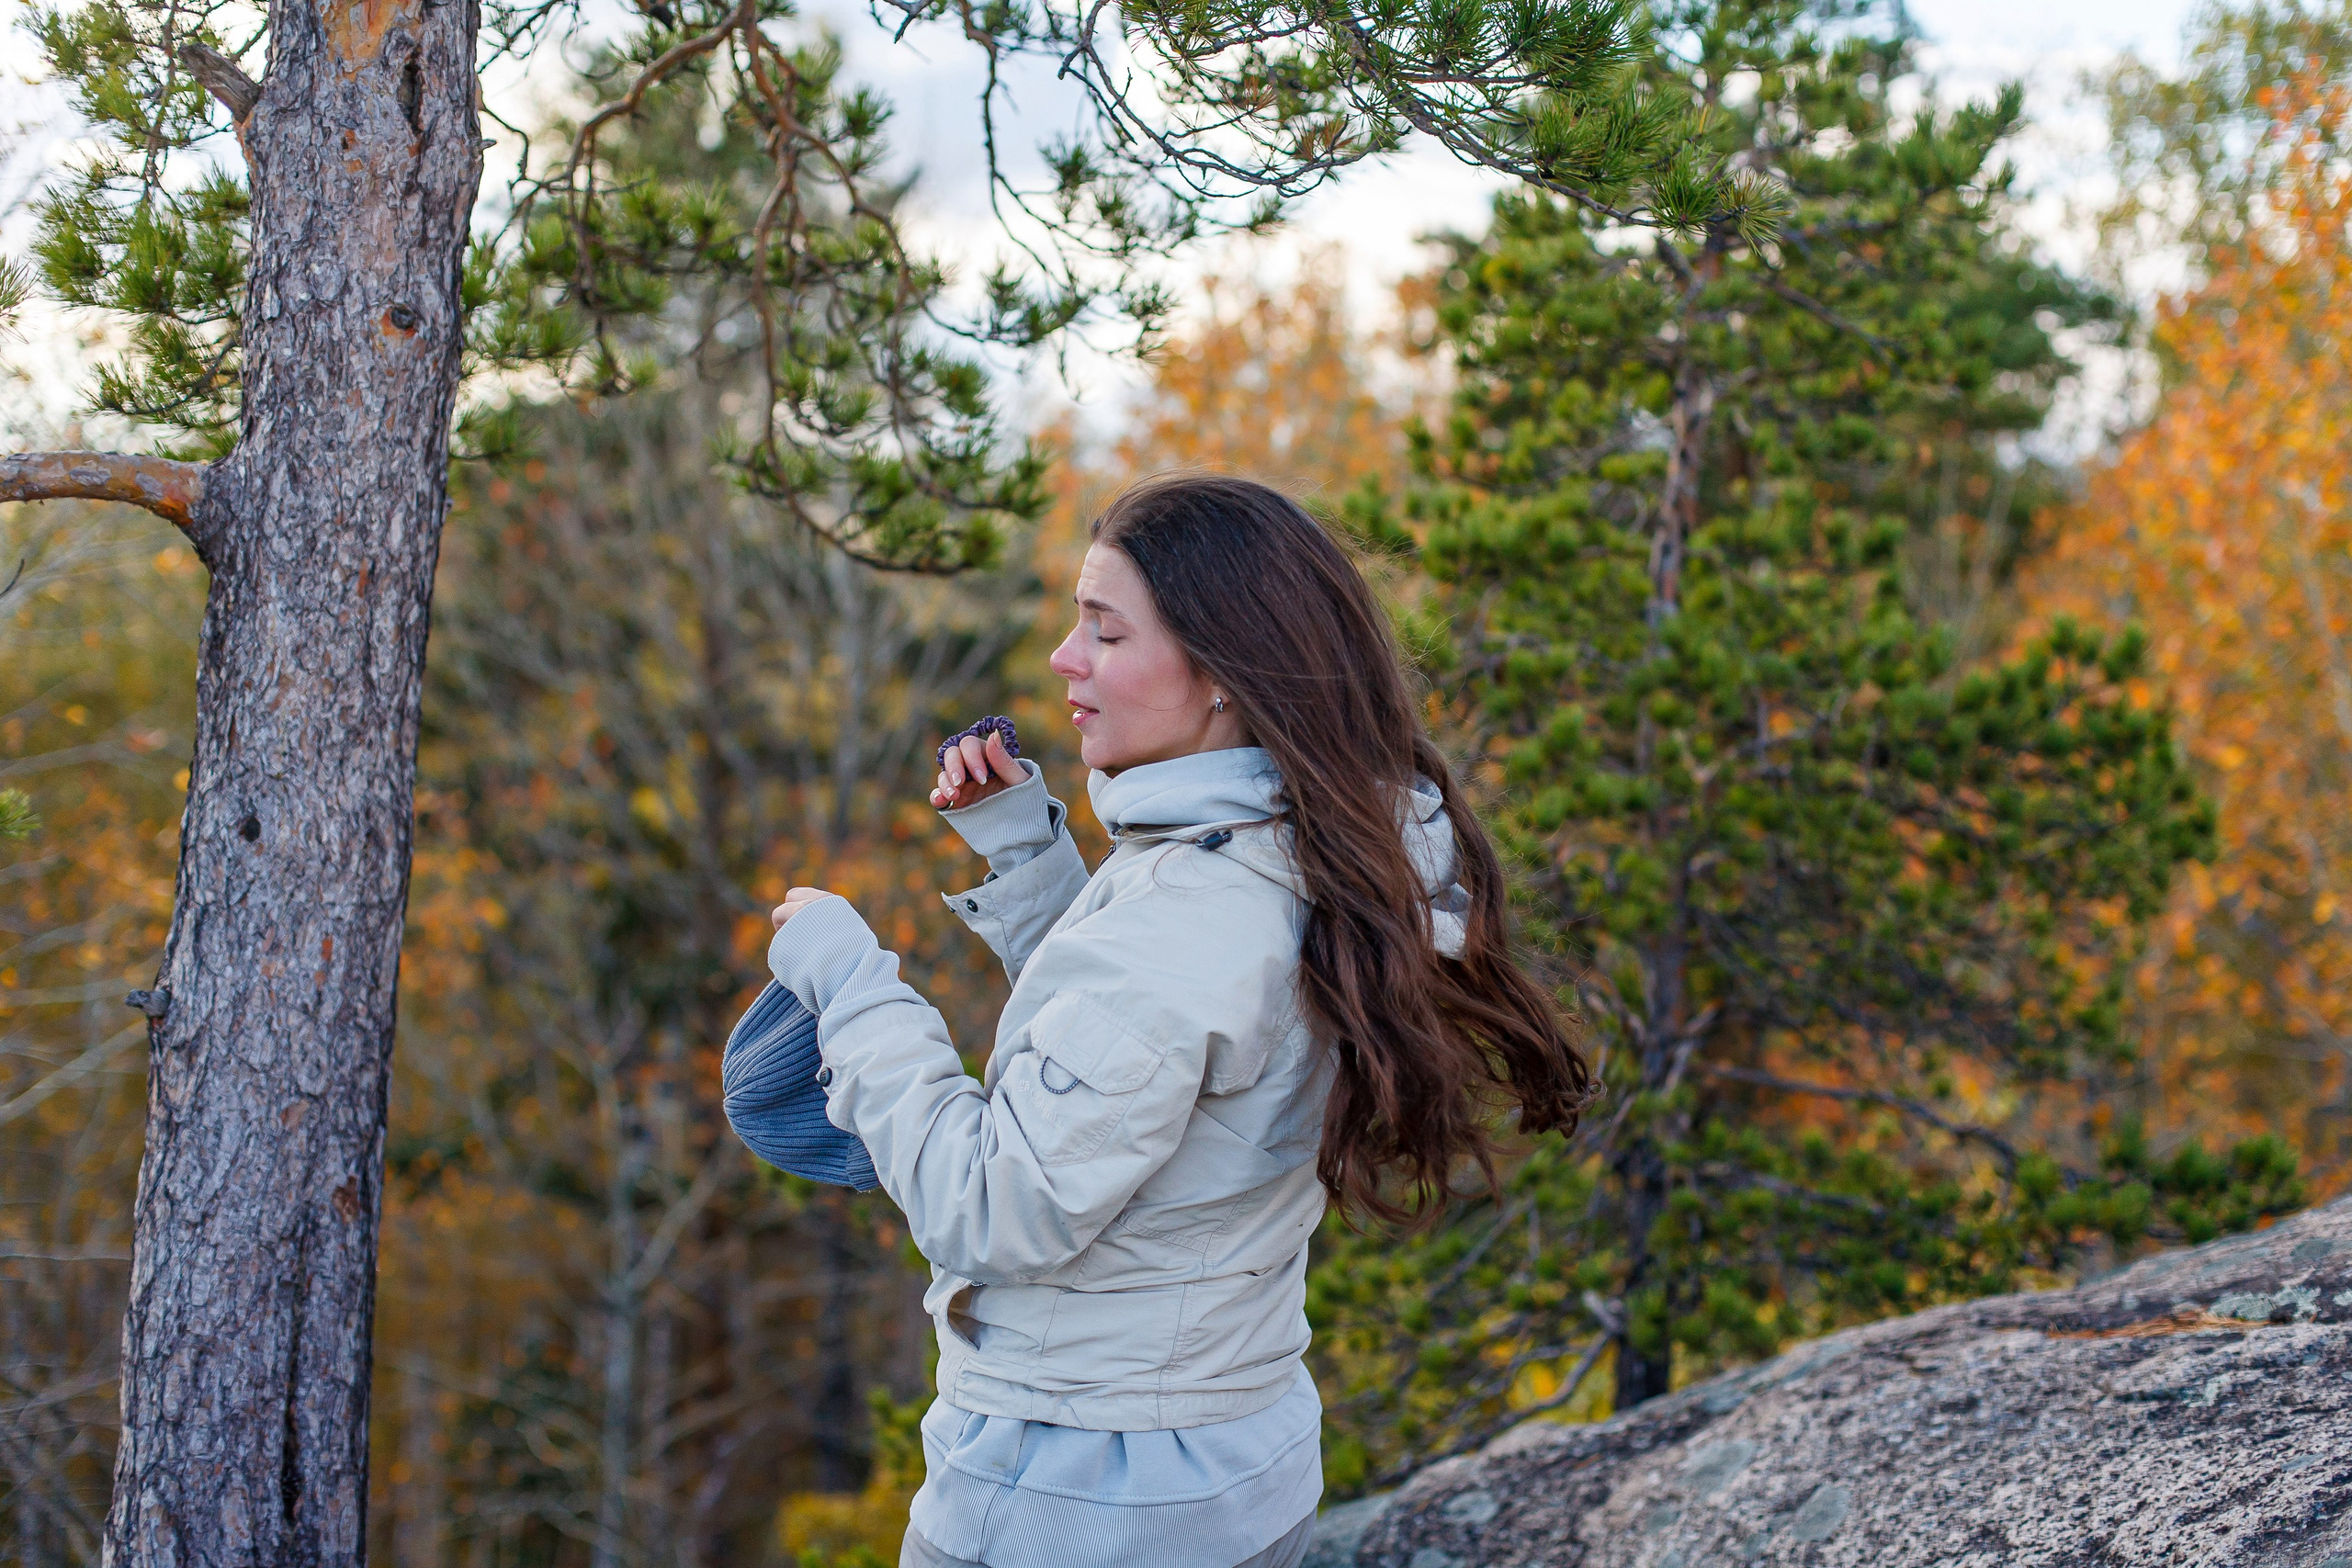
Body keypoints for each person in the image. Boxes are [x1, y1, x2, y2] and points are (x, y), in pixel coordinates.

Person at [766, 473, 1590, 1568]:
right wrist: (1026, 854)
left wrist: (851, 982)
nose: (1065, 658)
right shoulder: (1321, 854)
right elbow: (1162, 1053)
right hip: (1229, 1461)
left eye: (1104, 633)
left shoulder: (1192, 914)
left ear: (1223, 678)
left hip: (1074, 1495)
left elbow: (992, 1208)